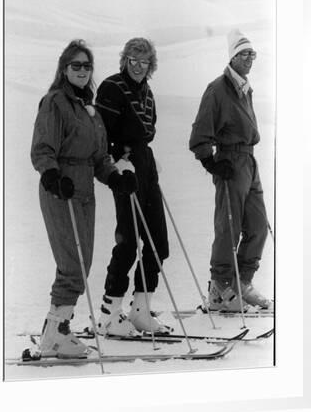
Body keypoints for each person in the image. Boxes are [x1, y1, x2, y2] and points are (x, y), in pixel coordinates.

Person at [30, 39, 137, 358]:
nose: (81, 70)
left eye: (86, 66)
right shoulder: (55, 102)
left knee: (82, 263)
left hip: (84, 192)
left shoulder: (89, 109)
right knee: (71, 264)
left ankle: (58, 329)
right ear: (64, 69)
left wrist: (115, 177)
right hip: (60, 189)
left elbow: (99, 157)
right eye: (75, 65)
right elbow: (43, 148)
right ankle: (55, 333)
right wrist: (51, 175)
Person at [189, 29, 272, 311]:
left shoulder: (245, 88)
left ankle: (242, 282)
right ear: (233, 57)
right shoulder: (218, 89)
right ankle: (220, 288)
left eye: (252, 54)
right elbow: (200, 134)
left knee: (258, 225)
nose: (249, 59)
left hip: (249, 161)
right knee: (229, 226)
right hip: (231, 162)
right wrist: (211, 161)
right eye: (244, 54)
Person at [95, 37, 171, 336]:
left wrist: (147, 161)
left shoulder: (147, 92)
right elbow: (101, 131)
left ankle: (140, 309)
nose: (139, 67)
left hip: (144, 165)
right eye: (133, 61)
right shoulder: (112, 87)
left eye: (144, 62)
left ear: (151, 65)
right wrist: (117, 159)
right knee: (128, 242)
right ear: (125, 60)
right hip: (124, 168)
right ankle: (109, 313)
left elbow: (146, 132)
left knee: (158, 243)